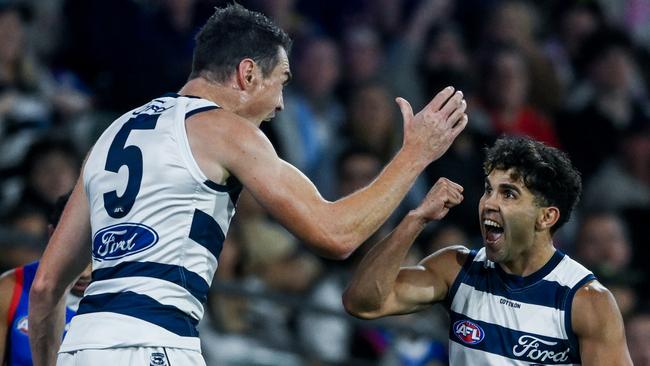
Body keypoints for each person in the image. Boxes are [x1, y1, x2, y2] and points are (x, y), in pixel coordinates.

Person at [28, 4, 468, 366]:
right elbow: (336, 235)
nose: (280, 102)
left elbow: (47, 286)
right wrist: (415, 155)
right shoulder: (225, 130)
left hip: (82, 345)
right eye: (282, 82)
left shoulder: (110, 134)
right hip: (153, 344)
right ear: (248, 74)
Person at [343, 136, 632, 365]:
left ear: (546, 217)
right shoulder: (457, 269)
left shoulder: (586, 301)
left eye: (508, 194)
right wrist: (415, 219)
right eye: (488, 189)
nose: (489, 203)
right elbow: (362, 302)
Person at [0, 194, 91, 366]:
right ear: (52, 236)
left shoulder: (134, 295)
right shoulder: (10, 289)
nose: (84, 272)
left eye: (94, 251)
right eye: (75, 249)